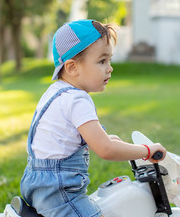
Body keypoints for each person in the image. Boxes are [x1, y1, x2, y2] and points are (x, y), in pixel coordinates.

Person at [20, 19, 166, 217]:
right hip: (60, 192)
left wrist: (112, 139)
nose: (110, 68)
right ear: (72, 67)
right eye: (102, 61)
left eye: (110, 60)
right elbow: (105, 149)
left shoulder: (56, 92)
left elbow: (83, 139)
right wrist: (146, 151)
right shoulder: (78, 100)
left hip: (38, 181)